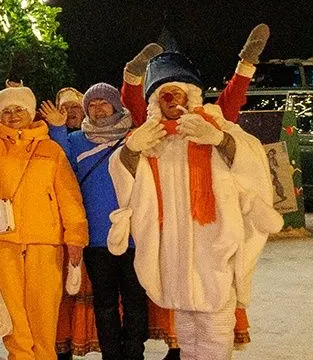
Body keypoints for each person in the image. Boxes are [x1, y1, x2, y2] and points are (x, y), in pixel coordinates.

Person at [108, 49, 280, 360]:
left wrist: (218, 140)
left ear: (191, 97)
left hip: (214, 243)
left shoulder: (212, 125)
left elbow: (250, 157)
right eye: (165, 98)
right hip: (173, 246)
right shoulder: (154, 138)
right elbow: (126, 176)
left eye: (178, 96)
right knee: (186, 331)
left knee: (216, 330)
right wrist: (131, 150)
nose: (173, 104)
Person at [0, 86, 86, 360]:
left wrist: (76, 238)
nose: (13, 115)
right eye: (7, 111)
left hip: (45, 242)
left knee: (44, 311)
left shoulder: (51, 150)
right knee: (13, 311)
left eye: (19, 109)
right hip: (3, 241)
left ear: (31, 112)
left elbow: (70, 198)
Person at [41, 84, 144, 360]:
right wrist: (58, 129)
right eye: (93, 104)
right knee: (105, 303)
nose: (98, 108)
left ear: (116, 106)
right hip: (97, 236)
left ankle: (134, 354)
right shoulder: (76, 140)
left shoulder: (134, 137)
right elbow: (63, 168)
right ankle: (112, 355)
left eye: (104, 103)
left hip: (136, 234)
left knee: (135, 301)